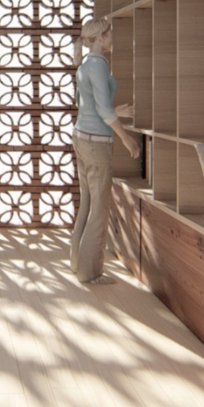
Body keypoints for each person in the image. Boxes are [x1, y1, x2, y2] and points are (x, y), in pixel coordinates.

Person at [71, 17, 139, 285]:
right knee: (99, 209)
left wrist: (115, 110)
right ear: (100, 38)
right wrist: (126, 138)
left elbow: (84, 103)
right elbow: (101, 109)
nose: (113, 38)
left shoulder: (85, 64)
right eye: (110, 34)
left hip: (81, 137)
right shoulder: (98, 65)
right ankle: (90, 273)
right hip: (97, 143)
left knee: (87, 203)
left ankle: (77, 263)